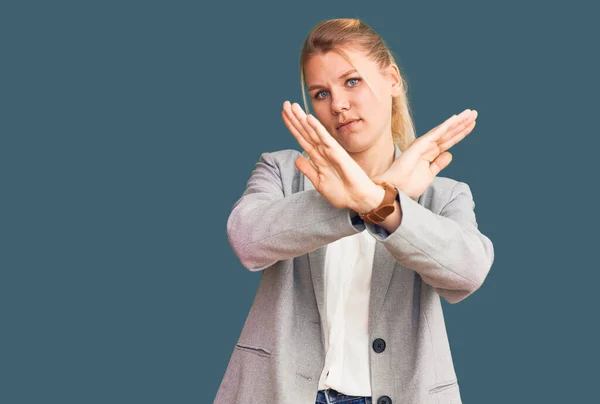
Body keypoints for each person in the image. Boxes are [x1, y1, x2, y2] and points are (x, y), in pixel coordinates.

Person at [214, 18, 494, 404]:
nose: (339, 105)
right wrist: (356, 203)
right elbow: (246, 239)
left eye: (351, 81)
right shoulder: (283, 170)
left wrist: (386, 205)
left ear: (392, 79)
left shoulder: (443, 194)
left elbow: (468, 272)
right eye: (321, 93)